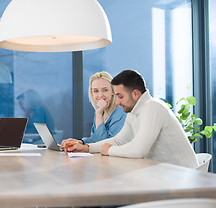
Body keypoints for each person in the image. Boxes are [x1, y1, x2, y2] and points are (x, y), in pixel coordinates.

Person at [65, 70, 199, 169]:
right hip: (163, 174)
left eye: (120, 96)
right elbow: (118, 140)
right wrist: (86, 148)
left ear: (135, 94)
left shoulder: (152, 107)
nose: (116, 102)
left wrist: (108, 150)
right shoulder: (133, 113)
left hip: (181, 179)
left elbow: (139, 150)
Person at [61, 71, 126, 147]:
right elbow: (95, 139)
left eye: (105, 90)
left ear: (113, 91)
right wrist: (80, 142)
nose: (100, 95)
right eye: (96, 91)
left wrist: (98, 115)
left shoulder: (121, 112)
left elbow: (105, 143)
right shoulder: (101, 111)